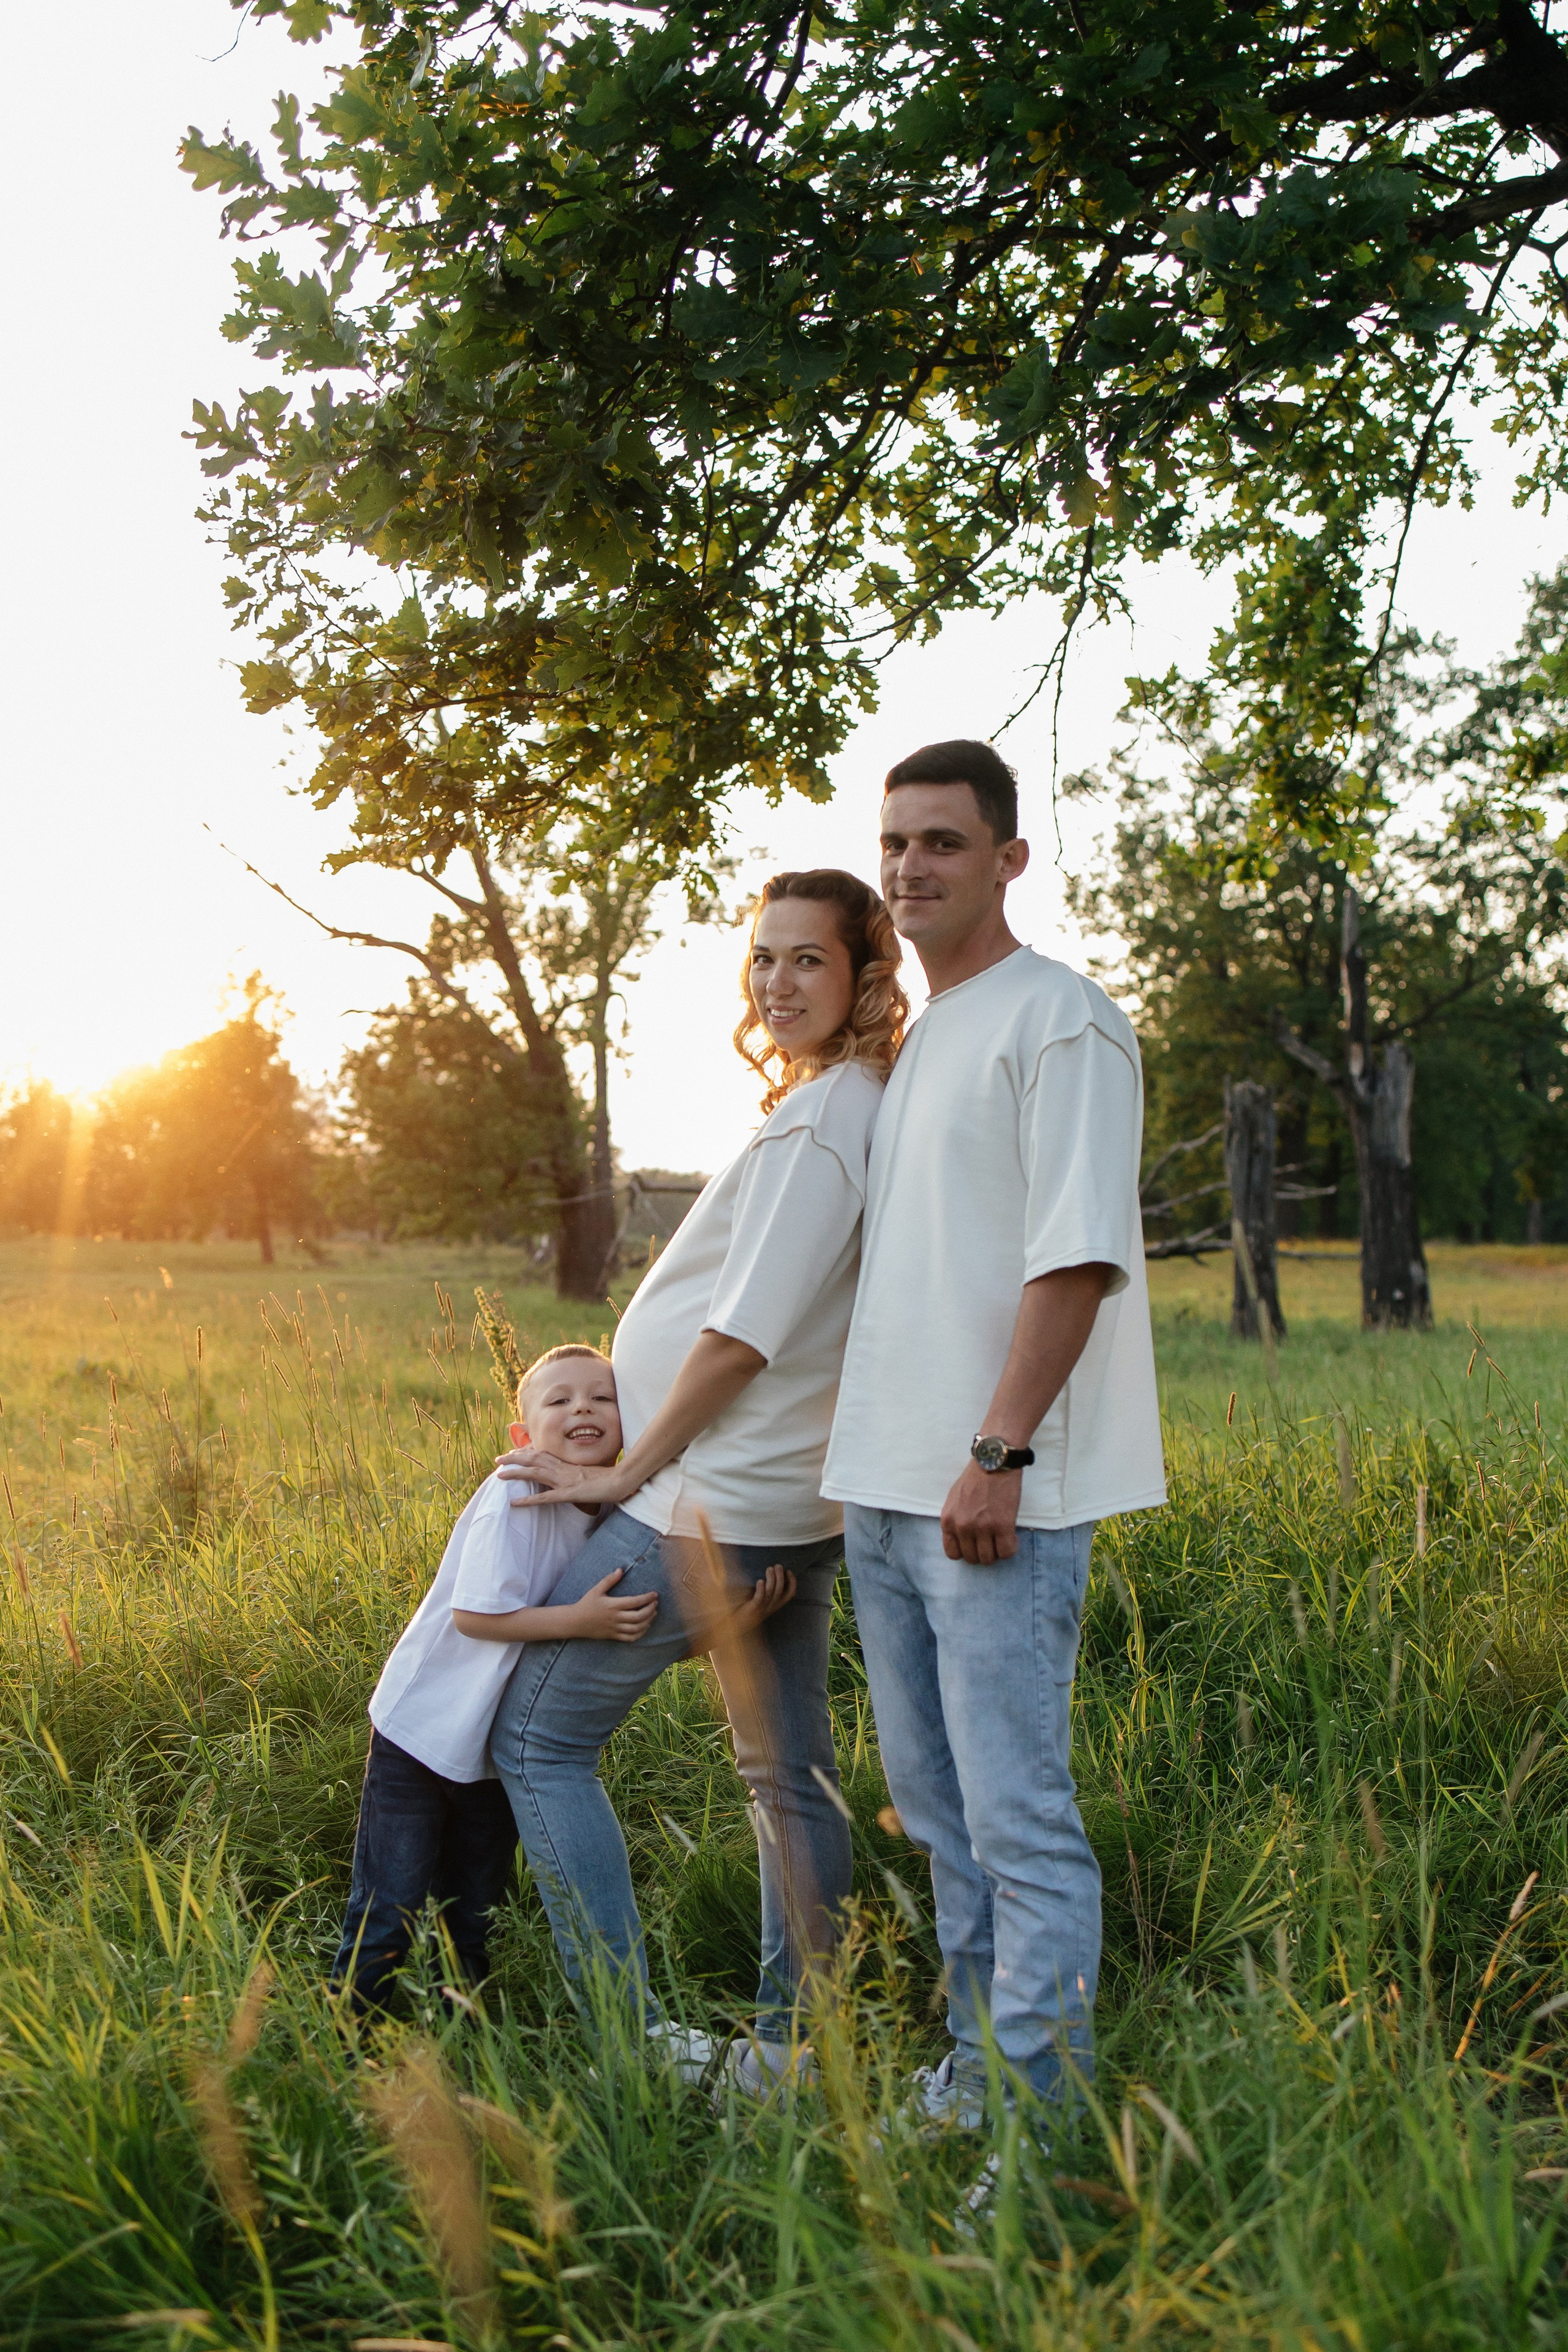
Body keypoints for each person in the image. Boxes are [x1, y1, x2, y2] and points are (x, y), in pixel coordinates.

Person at [491, 870, 908, 2087]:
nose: (776, 982)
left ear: (863, 976)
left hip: (709, 1504)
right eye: (763, 957)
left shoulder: (827, 1119)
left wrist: (627, 1466)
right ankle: (800, 2046)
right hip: (788, 1504)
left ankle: (626, 2041)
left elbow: (741, 1336)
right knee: (790, 1772)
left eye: (808, 959)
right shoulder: (848, 1104)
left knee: (534, 1738)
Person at [821, 739, 1166, 2128]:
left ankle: (1039, 2131)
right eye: (895, 841)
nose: (910, 866)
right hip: (885, 1491)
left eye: (943, 842)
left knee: (1017, 1821)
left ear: (1009, 859)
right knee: (938, 1815)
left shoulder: (1058, 1018)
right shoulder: (922, 1038)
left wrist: (1001, 1451)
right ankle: (973, 2083)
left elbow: (1074, 1256)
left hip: (991, 1493)